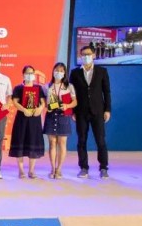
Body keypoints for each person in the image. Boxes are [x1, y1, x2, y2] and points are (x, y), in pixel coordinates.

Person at [70, 45, 111, 179]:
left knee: (100, 140)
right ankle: (83, 167)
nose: (86, 57)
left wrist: (107, 110)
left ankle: (103, 167)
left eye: (88, 54)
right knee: (81, 140)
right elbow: (72, 94)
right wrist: (73, 111)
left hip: (98, 111)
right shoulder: (75, 73)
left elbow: (106, 92)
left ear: (94, 55)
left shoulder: (102, 71)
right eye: (83, 55)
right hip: (81, 112)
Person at [10, 65, 47, 179]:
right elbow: (15, 102)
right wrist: (24, 110)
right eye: (27, 73)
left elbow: (43, 102)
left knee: (33, 142)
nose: (30, 75)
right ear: (23, 75)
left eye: (31, 73)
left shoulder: (38, 88)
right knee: (20, 142)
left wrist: (40, 109)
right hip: (22, 118)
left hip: (34, 119)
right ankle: (21, 171)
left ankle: (31, 171)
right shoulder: (18, 88)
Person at [44, 62, 77, 179]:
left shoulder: (69, 86)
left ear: (64, 73)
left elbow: (75, 102)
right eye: (56, 70)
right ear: (53, 71)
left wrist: (67, 106)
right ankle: (52, 168)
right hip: (51, 116)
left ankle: (59, 169)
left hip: (63, 115)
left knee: (62, 143)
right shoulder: (47, 86)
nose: (59, 72)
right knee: (52, 143)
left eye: (61, 71)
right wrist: (47, 107)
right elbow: (44, 103)